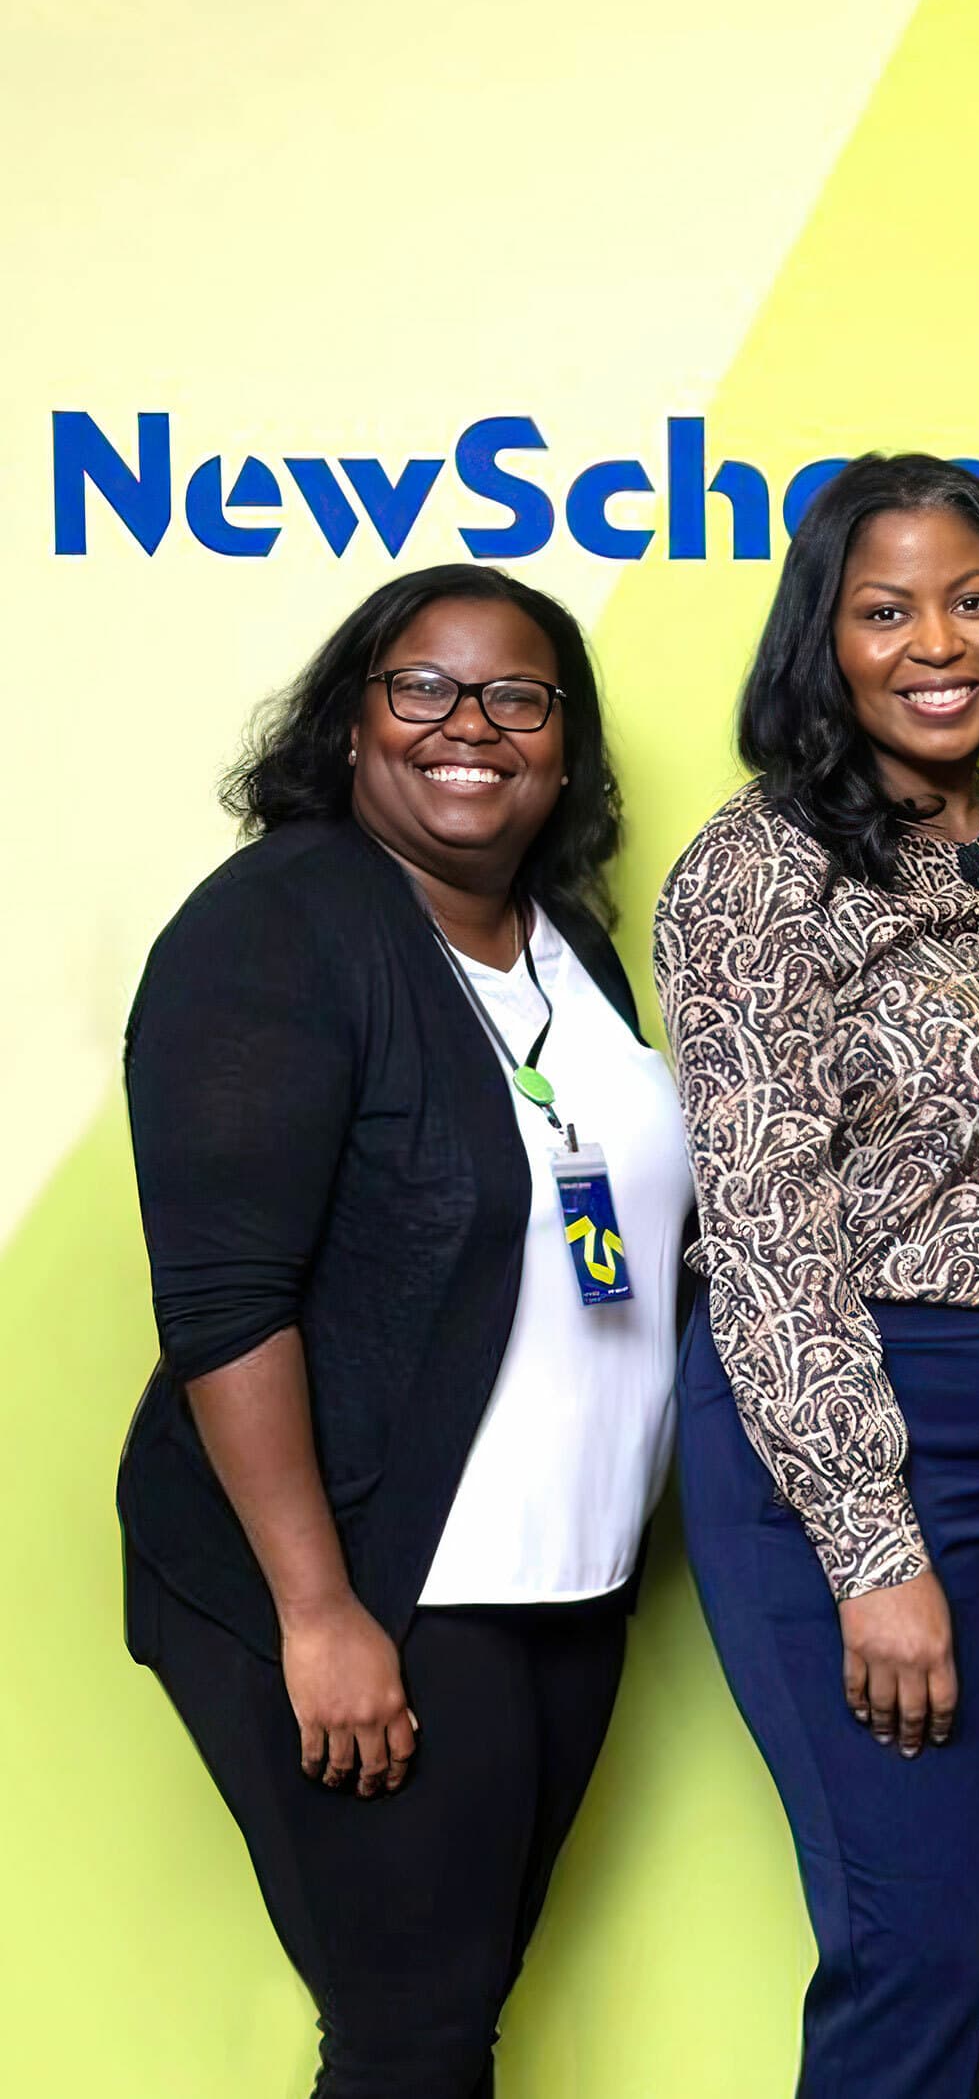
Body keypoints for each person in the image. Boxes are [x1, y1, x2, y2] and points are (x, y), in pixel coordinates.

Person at [119, 564, 693, 2096]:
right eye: (423, 687)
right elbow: (225, 1299)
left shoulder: (559, 938)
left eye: (519, 696)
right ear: (351, 720)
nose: (472, 726)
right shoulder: (281, 926)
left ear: (563, 748)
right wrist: (318, 1612)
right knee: (412, 2039)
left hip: (560, 1576)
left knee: (444, 2022)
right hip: (374, 1575)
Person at [654, 453, 979, 2099]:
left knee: (954, 1928)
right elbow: (762, 1216)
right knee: (923, 1950)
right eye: (885, 609)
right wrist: (873, 1543)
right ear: (826, 637)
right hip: (872, 1430)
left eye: (973, 597)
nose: (936, 641)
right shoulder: (757, 869)